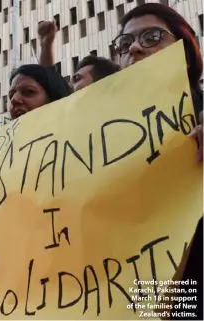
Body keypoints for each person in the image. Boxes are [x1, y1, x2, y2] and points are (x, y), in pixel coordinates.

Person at [114, 3, 203, 319]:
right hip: (127, 293)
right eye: (124, 45)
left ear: (185, 48)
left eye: (152, 37)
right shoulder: (102, 135)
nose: (135, 48)